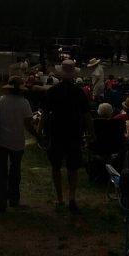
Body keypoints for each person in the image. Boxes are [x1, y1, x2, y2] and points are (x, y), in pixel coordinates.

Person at [43, 59, 94, 211]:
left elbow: (45, 114)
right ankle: (71, 196)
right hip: (74, 132)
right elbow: (87, 115)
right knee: (73, 167)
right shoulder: (79, 92)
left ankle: (59, 198)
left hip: (56, 131)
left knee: (56, 167)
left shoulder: (52, 91)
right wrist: (91, 132)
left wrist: (40, 132)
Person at [0, 76, 37, 212]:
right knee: (15, 171)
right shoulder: (24, 103)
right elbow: (28, 124)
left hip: (0, 141)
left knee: (1, 172)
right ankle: (14, 199)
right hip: (17, 142)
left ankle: (0, 202)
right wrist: (38, 135)